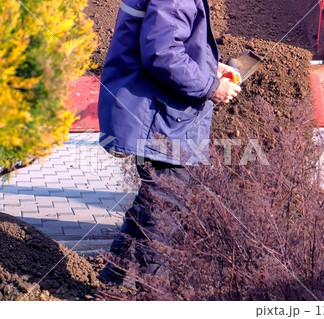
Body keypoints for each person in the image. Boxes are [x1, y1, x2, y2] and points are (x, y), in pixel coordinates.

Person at [97, 0, 241, 285]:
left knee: (156, 199)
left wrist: (210, 65)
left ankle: (114, 276)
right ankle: (153, 289)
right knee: (166, 207)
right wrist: (212, 87)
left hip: (153, 113)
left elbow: (168, 40)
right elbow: (163, 54)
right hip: (157, 117)